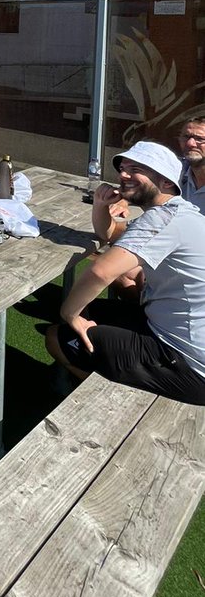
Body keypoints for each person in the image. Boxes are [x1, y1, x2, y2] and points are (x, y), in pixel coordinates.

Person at [46, 141, 205, 404]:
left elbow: (100, 272)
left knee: (56, 335)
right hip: (169, 331)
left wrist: (69, 313)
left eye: (137, 169)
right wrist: (100, 205)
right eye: (123, 167)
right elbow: (111, 234)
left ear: (166, 183)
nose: (123, 174)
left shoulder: (163, 220)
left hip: (188, 364)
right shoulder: (178, 214)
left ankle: (105, 401)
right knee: (90, 312)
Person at [178, 115, 205, 215]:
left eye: (200, 139)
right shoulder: (175, 173)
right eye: (186, 137)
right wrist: (125, 202)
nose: (190, 143)